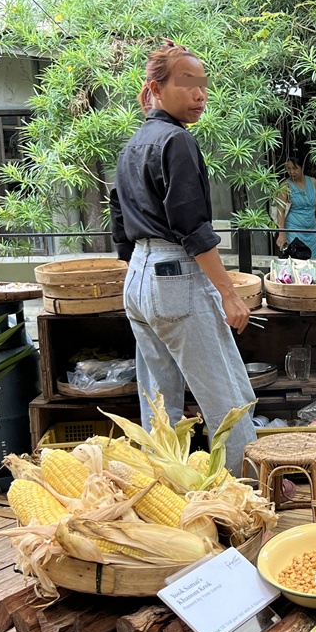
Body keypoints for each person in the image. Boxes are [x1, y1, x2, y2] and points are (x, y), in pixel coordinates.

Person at [109, 41, 257, 477]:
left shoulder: (133, 145)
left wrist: (141, 272)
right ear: (156, 88)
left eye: (203, 86)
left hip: (137, 276)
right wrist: (229, 294)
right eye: (187, 84)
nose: (200, 95)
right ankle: (245, 493)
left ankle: (166, 491)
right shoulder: (176, 141)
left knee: (158, 400)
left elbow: (120, 224)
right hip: (174, 274)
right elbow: (193, 228)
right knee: (226, 396)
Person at [276, 154, 316, 259]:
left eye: (295, 168)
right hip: (294, 229)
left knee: (313, 261)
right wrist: (281, 234)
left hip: (312, 230)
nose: (291, 172)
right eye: (288, 169)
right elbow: (280, 211)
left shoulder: (313, 182)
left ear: (302, 168)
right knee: (297, 260)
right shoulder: (285, 186)